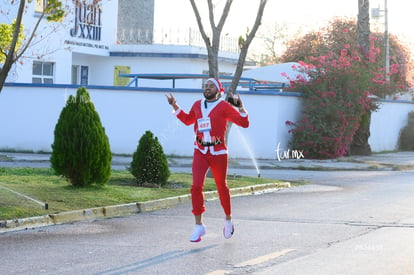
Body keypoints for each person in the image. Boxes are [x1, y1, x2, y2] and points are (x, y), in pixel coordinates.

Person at [166, 78, 249, 242]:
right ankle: (199, 226)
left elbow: (244, 123)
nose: (208, 88)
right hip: (200, 150)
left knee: (221, 187)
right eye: (206, 86)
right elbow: (188, 120)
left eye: (211, 86)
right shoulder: (197, 104)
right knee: (196, 186)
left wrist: (240, 107)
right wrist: (175, 106)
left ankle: (228, 220)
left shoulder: (224, 106)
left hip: (218, 152)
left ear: (218, 90)